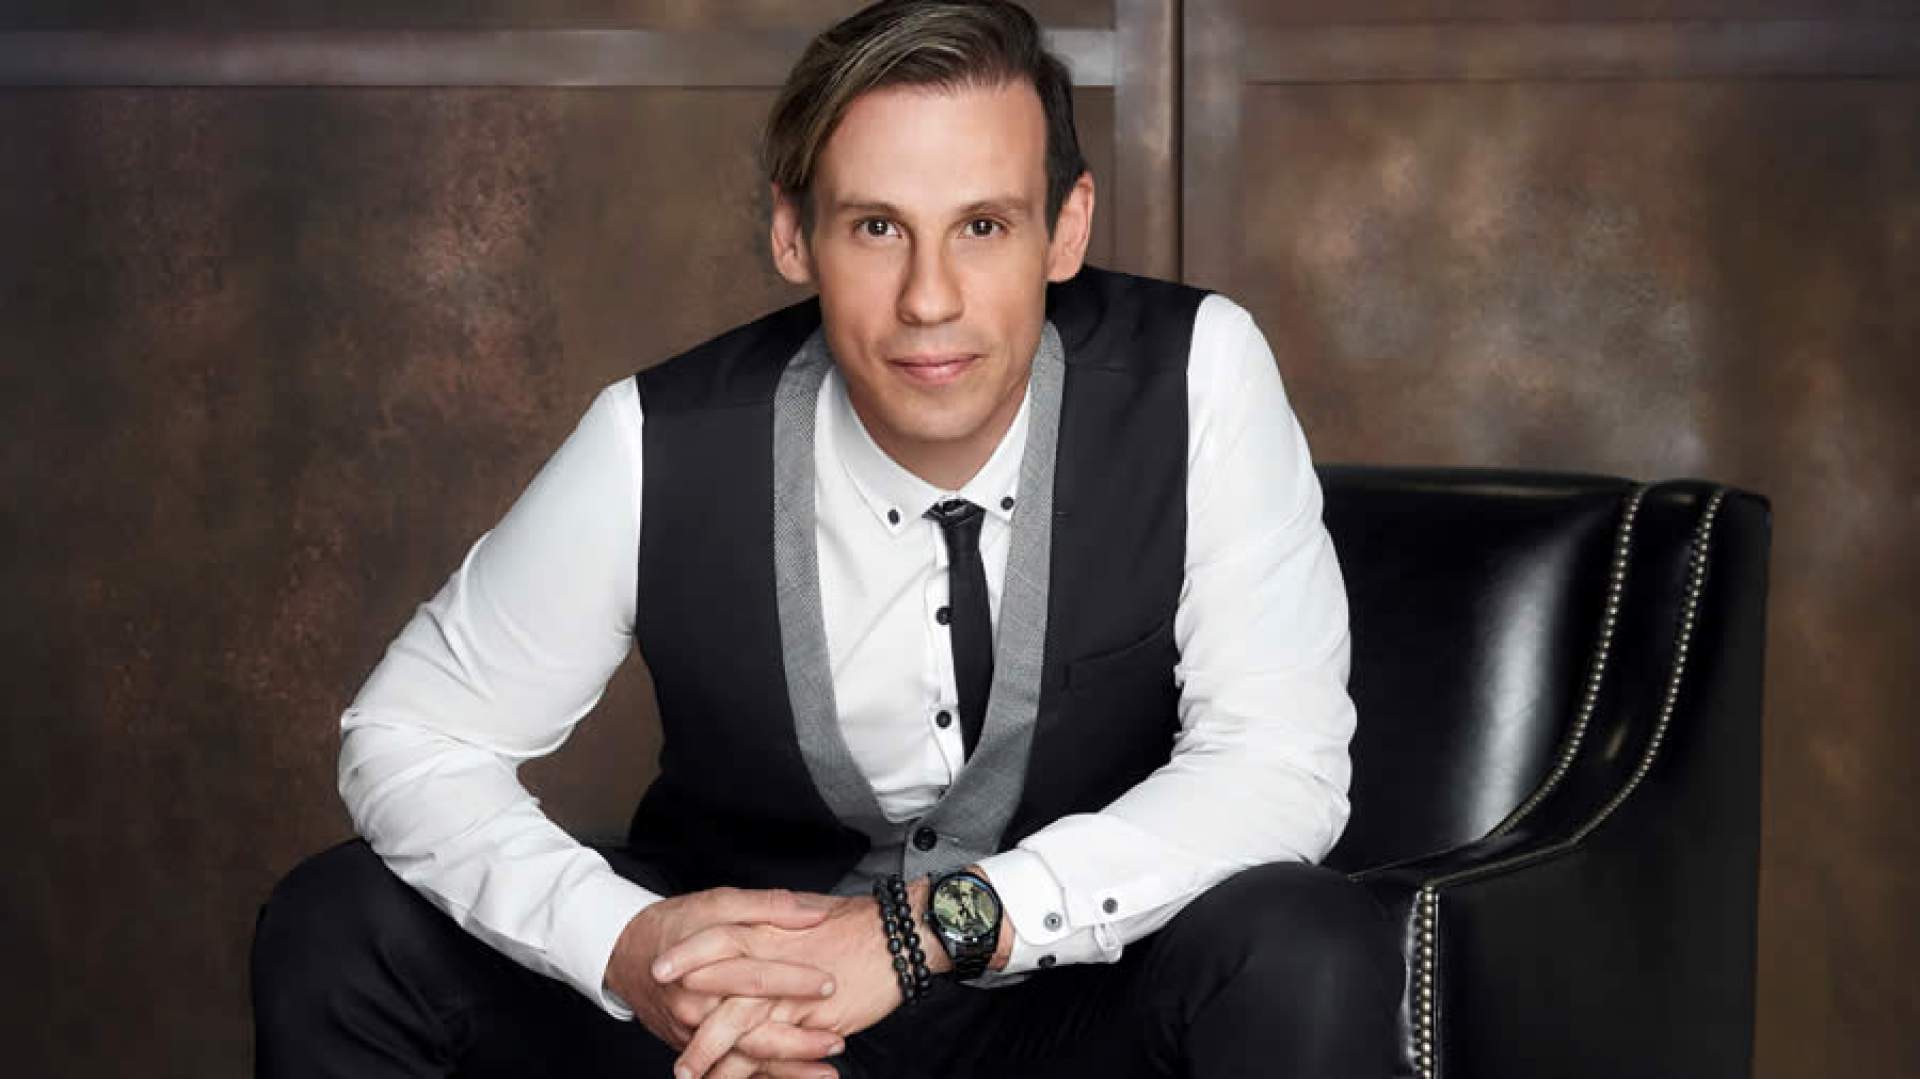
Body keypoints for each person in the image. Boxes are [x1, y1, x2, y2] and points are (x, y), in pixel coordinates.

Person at [250, 2, 1401, 1076]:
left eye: (983, 225)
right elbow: (407, 734)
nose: (930, 298)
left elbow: (1277, 764)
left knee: (1301, 941)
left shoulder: (1197, 374)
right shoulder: (657, 438)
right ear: (794, 235)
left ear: (1066, 228)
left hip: (1069, 999)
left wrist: (924, 931)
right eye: (877, 227)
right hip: (731, 1018)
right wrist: (627, 944)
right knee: (342, 923)